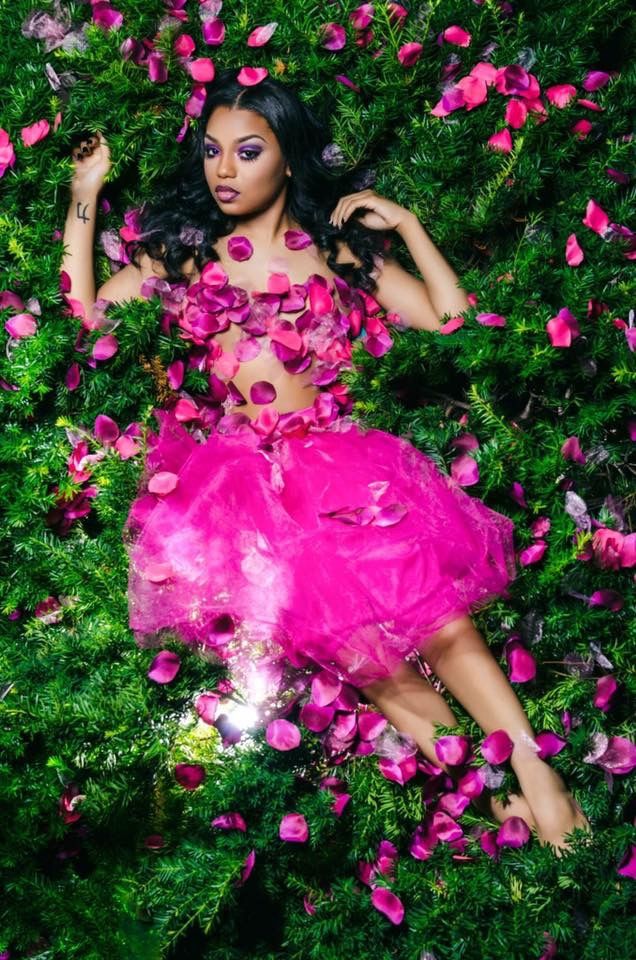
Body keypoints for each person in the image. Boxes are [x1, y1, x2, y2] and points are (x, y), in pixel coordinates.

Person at [62, 68, 589, 852]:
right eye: (213, 151)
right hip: (243, 487)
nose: (225, 169)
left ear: (287, 158)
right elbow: (85, 313)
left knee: (442, 624)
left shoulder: (339, 254)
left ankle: (541, 778)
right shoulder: (186, 254)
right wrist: (85, 194)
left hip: (340, 462)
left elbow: (453, 318)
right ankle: (487, 804)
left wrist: (406, 226)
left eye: (247, 150)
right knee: (372, 668)